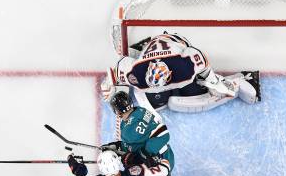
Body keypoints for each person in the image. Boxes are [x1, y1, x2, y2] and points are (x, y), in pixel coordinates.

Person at [101, 32, 260, 116]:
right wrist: (112, 88)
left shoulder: (184, 66)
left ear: (170, 74)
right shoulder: (137, 73)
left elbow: (200, 58)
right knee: (158, 102)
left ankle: (243, 81)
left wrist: (212, 80)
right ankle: (143, 45)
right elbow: (120, 66)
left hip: (175, 41)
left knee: (193, 89)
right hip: (152, 49)